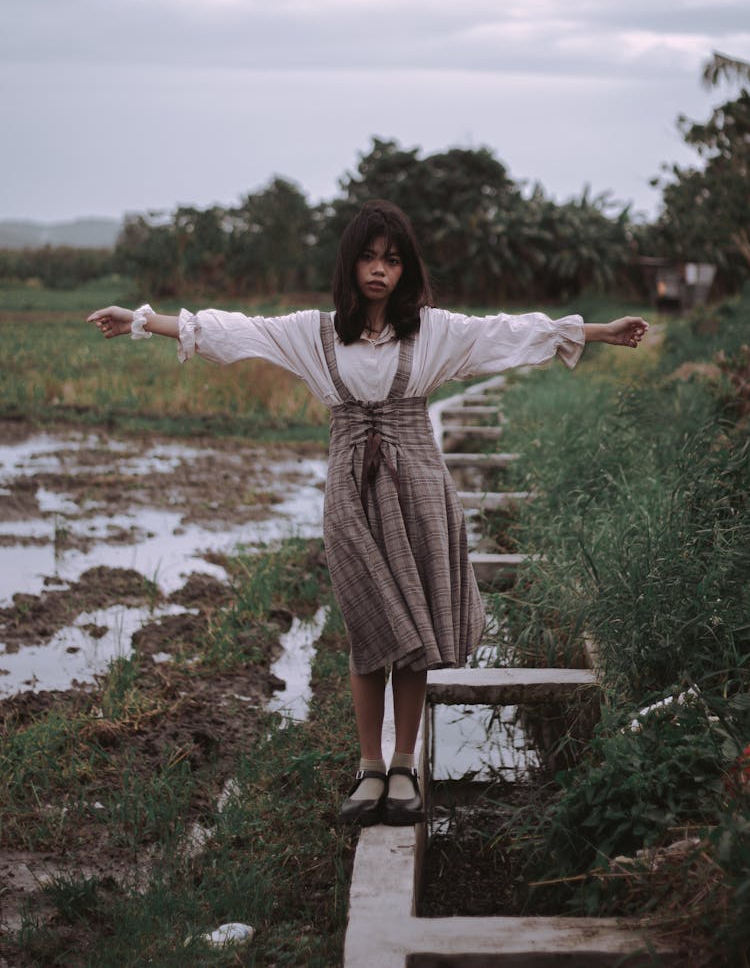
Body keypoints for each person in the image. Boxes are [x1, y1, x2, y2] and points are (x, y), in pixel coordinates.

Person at [88, 199, 648, 828]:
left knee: (411, 632)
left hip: (418, 484)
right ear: (349, 265)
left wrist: (598, 332)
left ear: (405, 269)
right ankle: (369, 765)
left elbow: (510, 332)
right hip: (351, 488)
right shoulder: (313, 332)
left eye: (392, 260)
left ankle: (405, 763)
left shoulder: (432, 331)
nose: (379, 270)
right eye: (368, 258)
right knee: (366, 629)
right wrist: (140, 321)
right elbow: (233, 330)